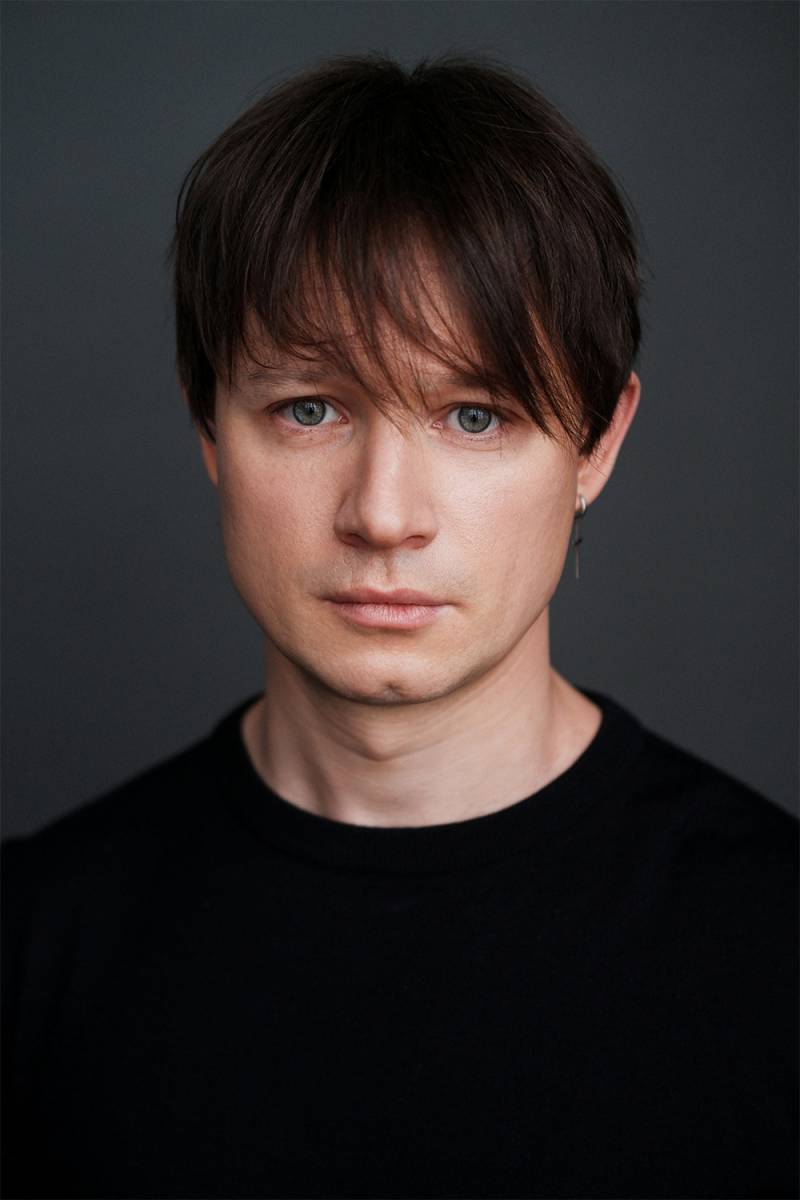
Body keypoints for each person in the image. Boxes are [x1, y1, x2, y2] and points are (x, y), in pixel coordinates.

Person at [2, 51, 797, 1200]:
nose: (382, 515)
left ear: (596, 444)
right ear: (209, 426)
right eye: (308, 409)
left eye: (474, 415)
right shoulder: (35, 946)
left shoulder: (771, 942)